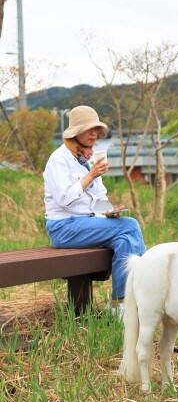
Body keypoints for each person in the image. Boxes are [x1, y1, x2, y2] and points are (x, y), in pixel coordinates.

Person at [43, 105, 146, 314]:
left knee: (124, 239)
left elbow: (98, 197)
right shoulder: (59, 159)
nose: (94, 133)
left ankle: (120, 303)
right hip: (64, 228)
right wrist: (91, 175)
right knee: (131, 226)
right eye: (89, 129)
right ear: (75, 132)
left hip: (87, 224)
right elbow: (64, 199)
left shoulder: (86, 159)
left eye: (96, 129)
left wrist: (109, 212)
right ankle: (144, 292)